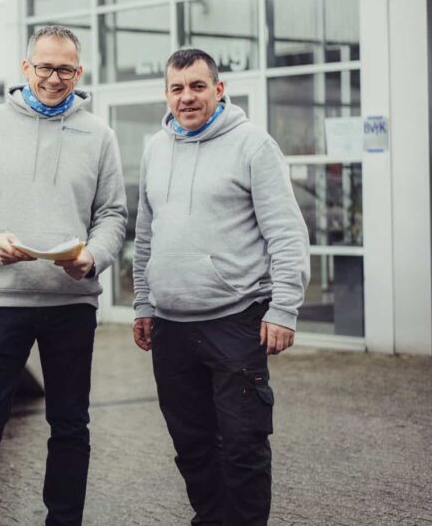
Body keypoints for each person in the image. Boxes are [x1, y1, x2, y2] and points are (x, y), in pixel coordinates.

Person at [0, 25, 127, 526]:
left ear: (79, 72)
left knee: (70, 427)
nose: (53, 78)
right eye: (43, 67)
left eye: (65, 69)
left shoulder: (99, 135)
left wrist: (94, 257)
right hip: (3, 301)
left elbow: (113, 215)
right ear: (26, 68)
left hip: (72, 303)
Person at [132, 48, 309, 526]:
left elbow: (286, 233)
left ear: (219, 89)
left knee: (243, 444)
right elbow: (145, 234)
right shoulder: (155, 147)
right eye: (177, 88)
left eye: (197, 86)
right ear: (166, 93)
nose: (186, 97)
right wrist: (143, 303)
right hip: (170, 327)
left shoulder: (252, 144)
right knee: (190, 445)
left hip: (235, 321)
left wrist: (284, 308)